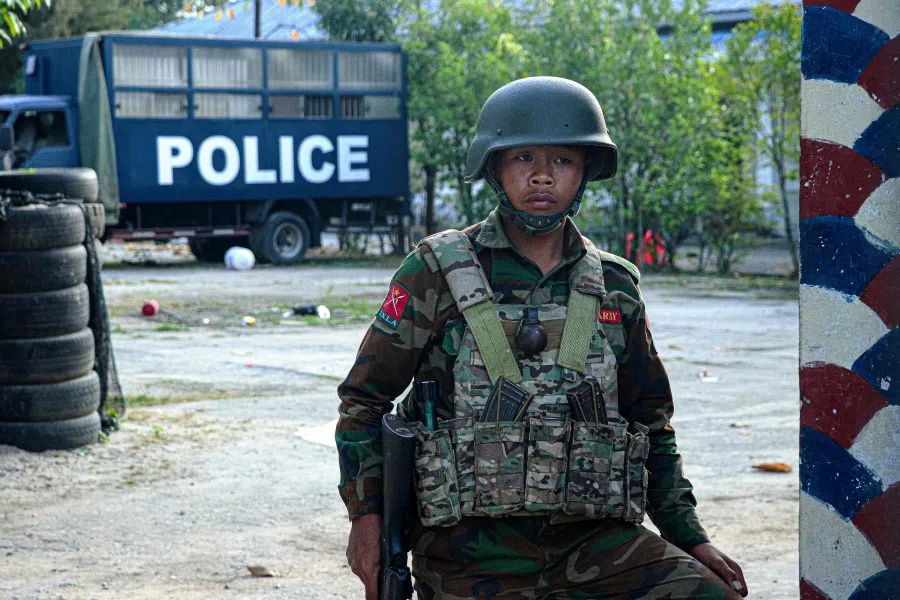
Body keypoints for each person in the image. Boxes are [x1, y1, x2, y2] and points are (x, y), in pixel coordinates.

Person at [336, 76, 747, 600]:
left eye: (562, 161)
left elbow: (650, 421)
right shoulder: (436, 271)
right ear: (494, 168)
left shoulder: (614, 286)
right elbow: (364, 402)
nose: (542, 177)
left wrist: (689, 536)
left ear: (583, 174)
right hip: (470, 554)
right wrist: (366, 520)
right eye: (523, 157)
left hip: (596, 545)